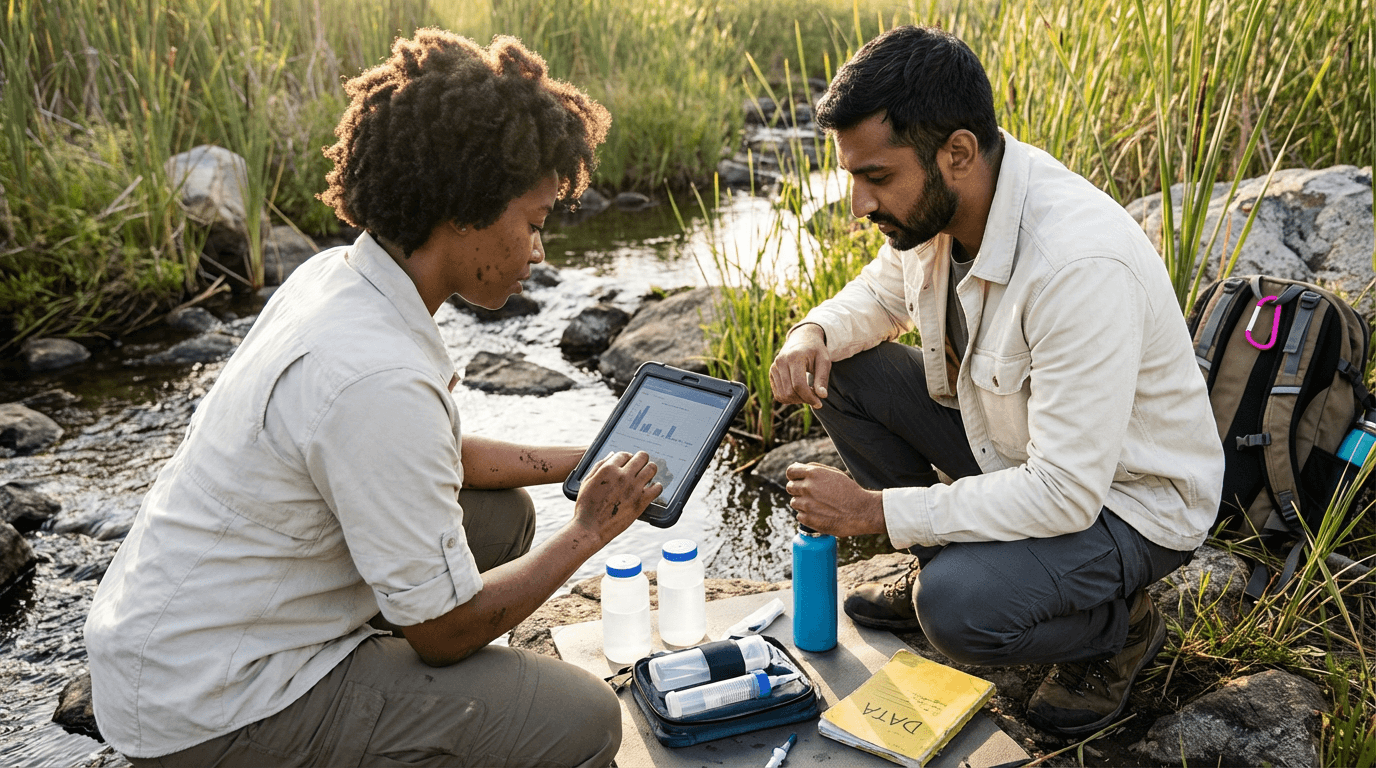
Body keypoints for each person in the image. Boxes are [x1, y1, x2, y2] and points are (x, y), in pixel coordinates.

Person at [84, 30, 659, 767]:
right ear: (465, 209)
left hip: (171, 646)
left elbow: (431, 459)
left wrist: (586, 460)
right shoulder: (376, 376)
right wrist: (587, 533)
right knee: (581, 719)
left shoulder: (337, 279)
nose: (539, 252)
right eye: (534, 224)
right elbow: (445, 633)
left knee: (498, 514)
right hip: (211, 707)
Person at [770, 26, 1225, 737]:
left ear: (956, 151)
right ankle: (947, 562)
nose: (858, 205)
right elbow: (881, 295)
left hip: (1127, 503)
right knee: (847, 367)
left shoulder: (1076, 265)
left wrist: (877, 512)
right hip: (1015, 453)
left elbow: (1068, 491)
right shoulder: (948, 205)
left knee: (956, 613)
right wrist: (813, 333)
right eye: (852, 177)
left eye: (875, 177)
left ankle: (1119, 626)